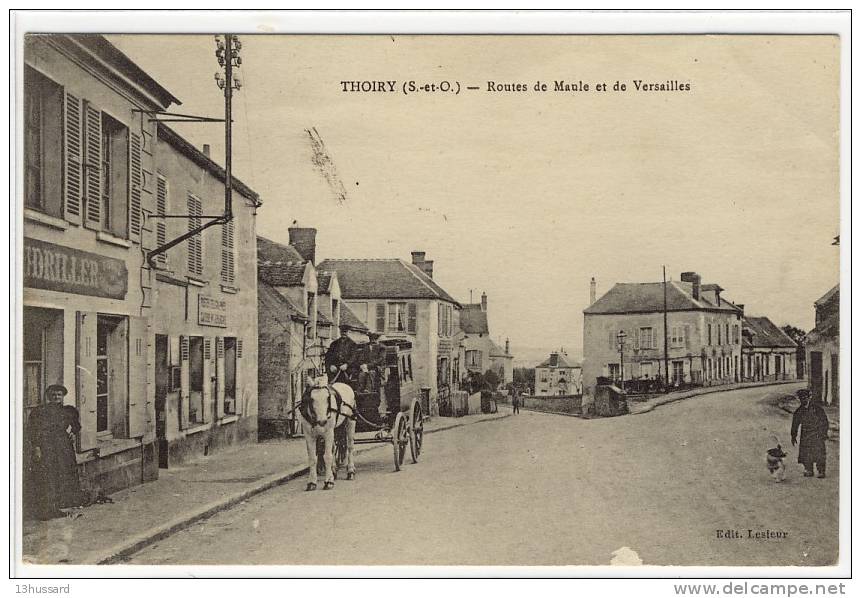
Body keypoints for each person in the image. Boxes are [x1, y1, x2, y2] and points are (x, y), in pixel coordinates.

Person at [24, 385, 86, 520]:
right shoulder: (39, 412)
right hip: (47, 447)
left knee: (64, 475)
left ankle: (61, 506)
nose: (56, 397)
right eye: (53, 395)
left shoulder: (69, 411)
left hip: (64, 448)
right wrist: (36, 447)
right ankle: (47, 509)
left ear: (62, 396)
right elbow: (32, 431)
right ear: (48, 396)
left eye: (59, 395)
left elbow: (76, 426)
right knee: (48, 477)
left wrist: (72, 433)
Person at [791, 389, 829, 478]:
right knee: (806, 452)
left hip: (817, 433)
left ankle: (821, 471)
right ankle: (809, 469)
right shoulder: (799, 411)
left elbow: (824, 421)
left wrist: (824, 433)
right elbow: (795, 424)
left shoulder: (817, 409)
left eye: (805, 398)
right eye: (801, 399)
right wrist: (793, 436)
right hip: (806, 434)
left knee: (819, 452)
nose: (803, 400)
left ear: (809, 398)